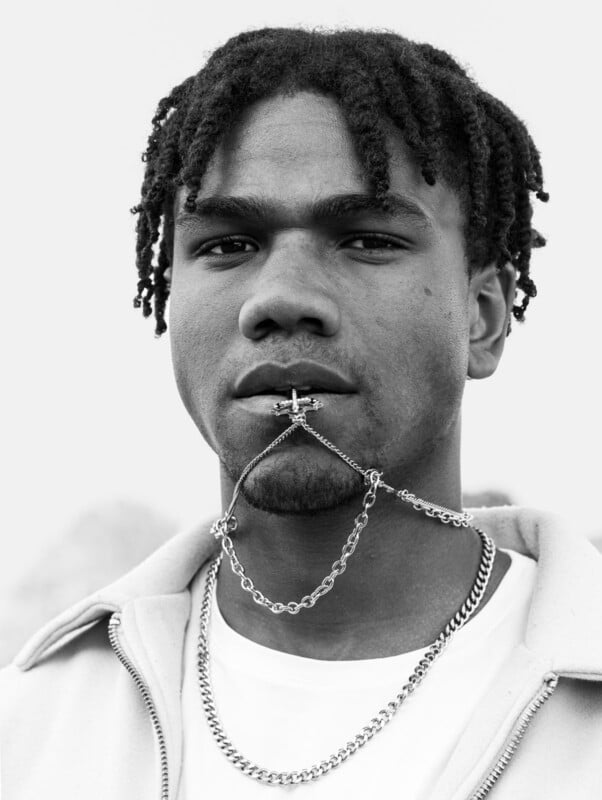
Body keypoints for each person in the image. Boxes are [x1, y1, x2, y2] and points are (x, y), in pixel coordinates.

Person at [2, 27, 602, 800]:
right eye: (226, 245)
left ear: (483, 319)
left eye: (366, 239)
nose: (280, 298)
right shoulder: (36, 732)